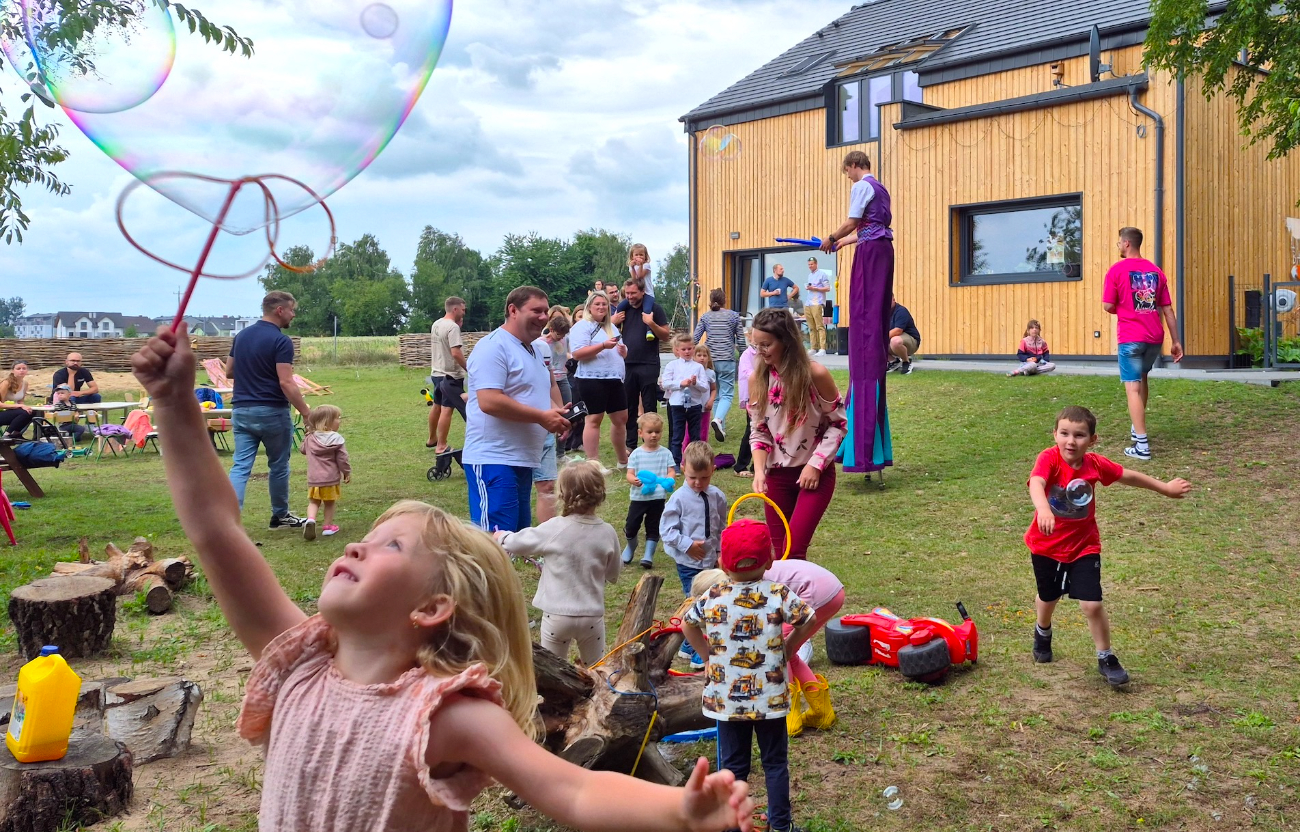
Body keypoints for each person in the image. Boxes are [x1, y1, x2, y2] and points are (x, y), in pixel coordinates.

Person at [129, 329, 756, 832]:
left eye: (389, 546)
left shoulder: (440, 716)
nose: (355, 543)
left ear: (432, 607)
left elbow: (572, 787)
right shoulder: (298, 662)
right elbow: (215, 530)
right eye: (368, 539)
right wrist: (173, 403)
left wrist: (679, 812)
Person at [1026, 406, 1191, 686]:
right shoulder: (1049, 458)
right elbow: (1037, 483)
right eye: (1064, 433)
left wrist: (1164, 488)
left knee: (1092, 604)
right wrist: (1043, 509)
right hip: (1046, 546)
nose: (1070, 441)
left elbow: (1128, 475)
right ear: (1055, 434)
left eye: (1079, 435)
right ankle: (1043, 632)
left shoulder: (1095, 465)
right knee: (1049, 596)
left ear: (1092, 440)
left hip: (1084, 547)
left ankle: (1106, 656)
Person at [682, 518, 816, 832]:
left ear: (721, 563)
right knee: (775, 764)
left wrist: (707, 656)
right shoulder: (778, 593)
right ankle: (781, 826)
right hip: (770, 700)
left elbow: (687, 623)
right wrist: (788, 647)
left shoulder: (714, 594)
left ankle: (731, 826)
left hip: (727, 702)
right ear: (770, 560)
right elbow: (807, 620)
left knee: (732, 768)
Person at [464, 287, 571, 533]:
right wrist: (542, 417)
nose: (544, 317)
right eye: (536, 311)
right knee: (495, 543)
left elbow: (535, 393)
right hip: (493, 459)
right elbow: (489, 401)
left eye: (546, 311)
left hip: (522, 459)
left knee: (515, 541)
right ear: (513, 310)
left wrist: (556, 414)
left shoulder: (532, 349)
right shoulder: (493, 347)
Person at [495, 461, 621, 666]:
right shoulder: (607, 532)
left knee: (553, 670)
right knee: (597, 670)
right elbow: (614, 573)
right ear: (601, 493)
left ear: (561, 494)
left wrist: (502, 537)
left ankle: (556, 697)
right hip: (592, 616)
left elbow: (519, 542)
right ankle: (598, 696)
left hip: (557, 616)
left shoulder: (554, 528)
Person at [748, 309, 847, 561]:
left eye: (766, 345)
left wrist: (815, 465)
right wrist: (759, 472)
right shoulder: (756, 379)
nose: (759, 351)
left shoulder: (816, 374)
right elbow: (759, 432)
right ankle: (790, 601)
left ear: (786, 341)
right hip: (777, 476)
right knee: (779, 555)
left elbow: (838, 424)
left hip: (814, 473)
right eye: (755, 344)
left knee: (794, 551)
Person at [822, 149, 894, 476]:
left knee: (862, 315)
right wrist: (845, 244)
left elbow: (852, 222)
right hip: (880, 250)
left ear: (854, 165)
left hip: (871, 254)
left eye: (847, 171)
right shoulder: (881, 189)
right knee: (873, 316)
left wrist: (831, 237)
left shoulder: (861, 186)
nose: (848, 177)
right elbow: (868, 228)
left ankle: (862, 443)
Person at [226, 292, 313, 530]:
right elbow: (286, 382)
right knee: (278, 465)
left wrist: (252, 371)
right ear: (279, 310)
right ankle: (280, 515)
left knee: (241, 466)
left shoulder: (241, 336)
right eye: (292, 309)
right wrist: (306, 412)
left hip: (242, 410)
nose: (293, 314)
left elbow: (229, 372)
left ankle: (229, 522)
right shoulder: (281, 341)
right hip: (272, 411)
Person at [1101, 227, 1184, 461]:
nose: (1118, 246)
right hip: (1154, 338)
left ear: (1127, 243)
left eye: (1119, 242)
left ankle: (1142, 447)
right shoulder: (1156, 271)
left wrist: (1123, 308)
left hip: (1130, 337)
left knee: (1132, 387)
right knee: (1143, 379)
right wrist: (1176, 341)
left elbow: (1108, 305)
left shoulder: (1116, 270)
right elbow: (1167, 310)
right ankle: (1137, 432)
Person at [662, 442, 728, 668]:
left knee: (712, 601)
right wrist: (687, 544)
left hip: (711, 562)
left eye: (704, 478)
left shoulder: (717, 496)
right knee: (697, 603)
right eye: (692, 478)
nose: (698, 483)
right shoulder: (678, 498)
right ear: (682, 468)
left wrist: (721, 552)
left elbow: (721, 526)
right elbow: (667, 531)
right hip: (688, 562)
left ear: (713, 471)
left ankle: (689, 646)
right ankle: (700, 649)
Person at [569, 293, 629, 471]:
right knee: (594, 418)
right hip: (591, 378)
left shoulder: (612, 328)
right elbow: (577, 353)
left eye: (604, 304)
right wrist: (603, 346)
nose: (601, 307)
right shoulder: (582, 326)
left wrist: (623, 351)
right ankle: (593, 463)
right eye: (597, 304)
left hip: (614, 377)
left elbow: (619, 351)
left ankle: (623, 461)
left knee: (620, 418)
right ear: (589, 307)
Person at [613, 277, 671, 453]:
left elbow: (666, 335)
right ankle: (631, 445)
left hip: (648, 363)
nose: (629, 296)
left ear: (642, 292)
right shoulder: (623, 310)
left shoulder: (654, 309)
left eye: (633, 293)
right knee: (629, 406)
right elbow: (605, 331)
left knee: (649, 405)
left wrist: (651, 323)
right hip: (627, 364)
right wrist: (613, 322)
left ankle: (651, 442)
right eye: (627, 293)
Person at [623, 412, 676, 566]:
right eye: (650, 432)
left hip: (658, 498)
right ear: (641, 433)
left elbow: (671, 470)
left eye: (657, 432)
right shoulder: (636, 454)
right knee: (631, 525)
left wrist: (670, 478)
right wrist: (633, 480)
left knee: (653, 526)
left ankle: (648, 555)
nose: (654, 435)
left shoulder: (666, 453)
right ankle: (631, 546)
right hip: (639, 498)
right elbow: (629, 473)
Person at [693, 290, 743, 442]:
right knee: (727, 394)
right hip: (727, 358)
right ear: (725, 300)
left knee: (715, 395)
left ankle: (721, 427)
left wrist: (688, 354)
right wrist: (745, 356)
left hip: (710, 361)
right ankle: (719, 420)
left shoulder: (706, 317)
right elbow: (741, 339)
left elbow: (695, 337)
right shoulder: (734, 316)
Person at [300, 404, 351, 542]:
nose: (339, 421)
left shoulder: (310, 438)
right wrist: (346, 472)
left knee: (314, 501)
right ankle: (328, 526)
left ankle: (310, 520)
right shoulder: (336, 439)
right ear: (328, 422)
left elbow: (303, 449)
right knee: (329, 502)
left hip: (314, 478)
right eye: (337, 418)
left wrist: (307, 437)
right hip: (330, 478)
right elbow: (342, 459)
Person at [659, 334, 710, 468]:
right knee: (677, 435)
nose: (687, 352)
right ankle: (675, 463)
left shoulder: (698, 367)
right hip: (677, 405)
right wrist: (681, 383)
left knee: (695, 436)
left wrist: (695, 383)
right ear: (677, 350)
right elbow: (665, 383)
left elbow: (705, 387)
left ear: (693, 349)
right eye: (684, 349)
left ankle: (695, 463)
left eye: (690, 349)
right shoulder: (672, 365)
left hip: (694, 405)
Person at [427, 297, 468, 453]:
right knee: (447, 409)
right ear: (455, 309)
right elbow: (456, 353)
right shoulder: (452, 327)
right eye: (463, 310)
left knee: (436, 406)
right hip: (450, 375)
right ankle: (441, 445)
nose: (464, 313)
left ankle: (432, 438)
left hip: (436, 373)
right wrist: (469, 368)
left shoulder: (436, 324)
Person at [531, 333, 560, 523]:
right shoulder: (501, 348)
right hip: (517, 434)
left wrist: (559, 411)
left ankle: (548, 541)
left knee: (548, 486)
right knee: (517, 490)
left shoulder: (542, 348)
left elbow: (550, 384)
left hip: (544, 432)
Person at [732, 330, 758, 478]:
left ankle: (758, 464)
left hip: (766, 396)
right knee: (751, 430)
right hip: (752, 398)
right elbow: (748, 374)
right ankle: (741, 465)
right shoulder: (747, 355)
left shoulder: (763, 353)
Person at [682, 345, 717, 447]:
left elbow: (714, 389)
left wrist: (711, 401)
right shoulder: (690, 371)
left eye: (705, 355)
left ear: (708, 358)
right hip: (691, 408)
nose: (702, 358)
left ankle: (702, 456)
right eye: (699, 355)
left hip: (705, 408)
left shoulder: (710, 373)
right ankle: (685, 459)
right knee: (688, 435)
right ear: (694, 356)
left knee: (703, 434)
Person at [803, 258, 832, 356]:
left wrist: (815, 288)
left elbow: (828, 288)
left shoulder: (822, 274)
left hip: (817, 302)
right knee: (811, 327)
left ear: (816, 264)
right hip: (809, 302)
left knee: (819, 325)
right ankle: (813, 347)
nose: (810, 266)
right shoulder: (810, 275)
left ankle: (822, 348)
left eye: (811, 264)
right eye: (809, 265)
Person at [0, 360, 34, 439]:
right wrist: (21, 406)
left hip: (9, 411)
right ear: (13, 371)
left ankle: (16, 433)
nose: (21, 370)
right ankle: (7, 435)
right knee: (24, 413)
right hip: (2, 411)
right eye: (18, 369)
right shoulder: (6, 383)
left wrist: (23, 406)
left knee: (31, 412)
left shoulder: (25, 383)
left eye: (24, 368)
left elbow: (20, 401)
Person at [886, 298, 921, 375]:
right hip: (891, 340)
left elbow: (898, 330)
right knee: (872, 341)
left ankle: (906, 362)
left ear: (893, 300)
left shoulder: (901, 311)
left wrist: (879, 338)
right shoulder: (882, 313)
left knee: (895, 341)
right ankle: (893, 362)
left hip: (911, 341)